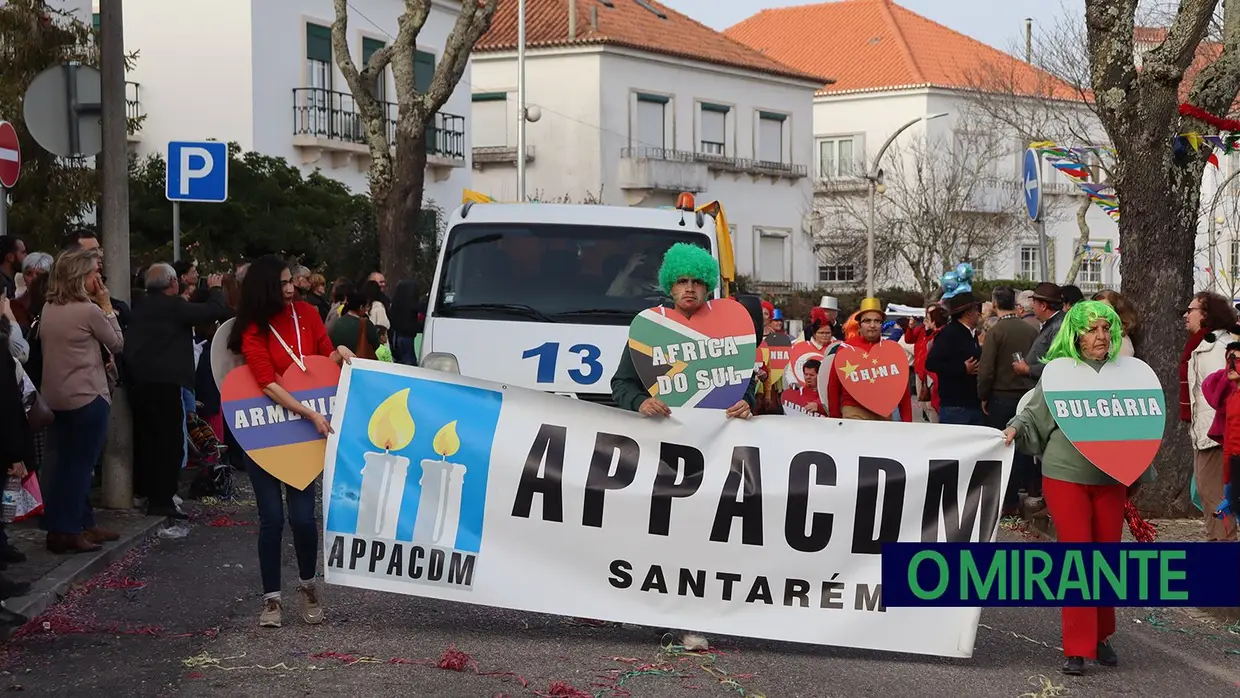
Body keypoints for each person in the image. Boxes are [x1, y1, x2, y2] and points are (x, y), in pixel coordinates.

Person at [609, 243, 752, 649]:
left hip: (713, 452)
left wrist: (749, 402)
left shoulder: (731, 328)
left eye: (697, 282)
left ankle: (689, 617)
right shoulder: (649, 328)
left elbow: (748, 385)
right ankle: (652, 609)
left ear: (708, 287)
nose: (689, 289)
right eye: (682, 281)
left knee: (702, 531)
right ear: (670, 286)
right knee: (658, 530)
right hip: (662, 451)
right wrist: (640, 401)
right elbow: (620, 383)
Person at [1004, 301, 1156, 676]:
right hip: (1065, 475)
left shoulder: (1128, 374)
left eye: (1106, 328)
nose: (1101, 336)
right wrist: (1012, 429)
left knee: (1106, 560)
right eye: (1092, 329)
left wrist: (1137, 470)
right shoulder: (1059, 373)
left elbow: (1141, 424)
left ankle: (1101, 635)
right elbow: (1033, 415)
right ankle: (1076, 646)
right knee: (1078, 559)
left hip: (1111, 479)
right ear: (1075, 334)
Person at [226, 255, 355, 629]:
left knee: (302, 517)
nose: (289, 288)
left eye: (290, 281)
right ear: (265, 286)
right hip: (265, 430)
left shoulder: (308, 314)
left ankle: (308, 586)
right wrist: (311, 414)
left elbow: (320, 356)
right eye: (282, 282)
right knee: (270, 518)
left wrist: (339, 353)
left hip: (303, 430)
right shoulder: (253, 326)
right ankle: (271, 600)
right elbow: (266, 382)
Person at [124, 264, 232, 518]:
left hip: (139, 382)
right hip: (166, 383)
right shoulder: (173, 307)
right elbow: (214, 311)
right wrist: (216, 289)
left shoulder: (140, 305)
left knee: (147, 440)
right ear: (173, 283)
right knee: (170, 443)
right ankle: (163, 499)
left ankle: (148, 492)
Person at [39, 248, 124, 554]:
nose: (98, 278)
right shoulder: (88, 310)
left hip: (55, 398)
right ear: (80, 277)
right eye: (93, 273)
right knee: (80, 467)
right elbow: (117, 342)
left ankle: (81, 522)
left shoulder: (49, 307)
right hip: (87, 395)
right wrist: (107, 307)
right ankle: (67, 530)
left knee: (64, 464)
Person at [977, 285, 1038, 515]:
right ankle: (1029, 493)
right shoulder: (1030, 330)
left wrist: (983, 395)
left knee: (1003, 449)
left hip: (1001, 396)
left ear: (994, 304)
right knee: (1024, 450)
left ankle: (1008, 501)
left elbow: (986, 369)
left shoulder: (996, 331)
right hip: (1025, 395)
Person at [1183, 291, 1238, 541]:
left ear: (1205, 314)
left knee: (1214, 493)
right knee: (1207, 492)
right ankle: (1216, 543)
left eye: (1190, 309)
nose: (1186, 314)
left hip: (1216, 432)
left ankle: (1223, 549)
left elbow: (1225, 392)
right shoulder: (1203, 344)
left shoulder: (1220, 347)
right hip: (1204, 430)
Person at [826, 297, 912, 421]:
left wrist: (907, 421)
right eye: (867, 321)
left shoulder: (890, 350)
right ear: (859, 325)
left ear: (882, 324)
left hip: (883, 411)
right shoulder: (847, 348)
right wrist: (834, 418)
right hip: (853, 411)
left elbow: (902, 388)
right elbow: (833, 385)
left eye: (877, 321)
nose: (872, 325)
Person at [925, 292, 984, 426]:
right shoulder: (949, 334)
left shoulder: (971, 333)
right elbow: (931, 363)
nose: (979, 314)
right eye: (976, 310)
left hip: (972, 402)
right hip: (955, 405)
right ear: (968, 313)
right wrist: (962, 368)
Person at [1014, 283, 1065, 382]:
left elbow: (1058, 362)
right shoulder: (1053, 323)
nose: (1032, 306)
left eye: (1034, 302)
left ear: (1043, 306)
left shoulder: (1058, 326)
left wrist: (1028, 369)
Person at [327, 290, 380, 359]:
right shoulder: (366, 324)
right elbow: (376, 345)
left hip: (340, 362)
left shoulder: (338, 322)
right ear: (361, 307)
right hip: (359, 363)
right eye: (365, 307)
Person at [1092, 289, 1138, 357]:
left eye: (1107, 309)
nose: (1101, 314)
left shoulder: (1121, 343)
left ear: (1118, 312)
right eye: (1097, 309)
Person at [388, 280, 420, 366]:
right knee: (410, 363)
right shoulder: (413, 304)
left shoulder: (396, 303)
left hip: (396, 337)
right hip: (407, 337)